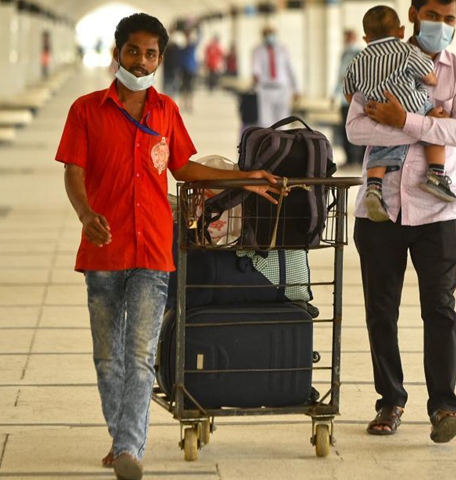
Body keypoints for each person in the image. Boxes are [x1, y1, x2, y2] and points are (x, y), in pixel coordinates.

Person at [55, 13, 278, 480]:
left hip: (154, 249)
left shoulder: (166, 111)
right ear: (117, 52)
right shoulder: (86, 110)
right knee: (107, 356)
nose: (141, 60)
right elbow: (73, 171)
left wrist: (246, 177)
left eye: (151, 53)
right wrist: (85, 213)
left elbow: (186, 169)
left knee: (138, 354)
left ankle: (129, 448)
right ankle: (121, 438)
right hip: (104, 248)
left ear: (160, 58)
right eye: (133, 51)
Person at [346, 0, 456, 442]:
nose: (440, 25)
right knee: (379, 310)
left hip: (437, 209)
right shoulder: (375, 59)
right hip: (379, 207)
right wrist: (426, 126)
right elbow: (356, 130)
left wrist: (404, 119)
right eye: (433, 15)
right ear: (413, 14)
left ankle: (444, 406)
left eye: (449, 19)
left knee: (439, 309)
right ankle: (390, 400)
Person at [345, 5, 454, 224]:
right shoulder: (407, 52)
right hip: (412, 107)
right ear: (402, 31)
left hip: (378, 110)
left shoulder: (358, 59)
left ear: (366, 38)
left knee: (380, 147)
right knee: (434, 126)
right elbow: (429, 77)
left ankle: (374, 189)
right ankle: (436, 175)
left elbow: (349, 93)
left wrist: (369, 103)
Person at [252, 26, 300, 127]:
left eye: (271, 34)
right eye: (267, 34)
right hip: (266, 89)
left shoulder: (283, 50)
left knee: (283, 121)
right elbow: (256, 70)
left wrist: (296, 89)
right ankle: (269, 142)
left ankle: (282, 142)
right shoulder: (258, 50)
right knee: (266, 123)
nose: (270, 37)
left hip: (282, 89)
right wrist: (255, 80)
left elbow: (290, 69)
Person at [332, 29, 365, 167]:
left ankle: (357, 158)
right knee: (346, 128)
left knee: (358, 128)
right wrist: (334, 94)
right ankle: (350, 158)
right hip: (344, 97)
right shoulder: (344, 54)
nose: (348, 40)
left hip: (355, 97)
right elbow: (340, 76)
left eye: (350, 37)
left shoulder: (360, 54)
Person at [178, 29, 200, 112]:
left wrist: (198, 28)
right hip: (184, 70)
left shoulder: (192, 47)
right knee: (183, 88)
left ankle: (189, 105)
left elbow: (199, 38)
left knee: (190, 88)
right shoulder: (182, 49)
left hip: (190, 70)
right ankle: (183, 105)